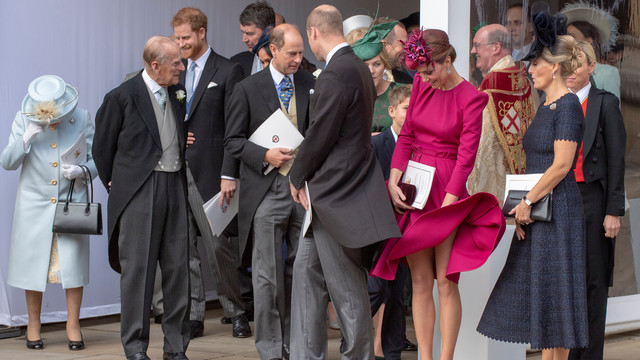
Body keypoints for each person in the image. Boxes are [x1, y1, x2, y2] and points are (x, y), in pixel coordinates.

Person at [371, 28, 504, 360]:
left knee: (445, 281)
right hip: (416, 185)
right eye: (420, 71)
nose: (425, 77)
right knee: (419, 280)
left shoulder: (471, 97)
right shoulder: (419, 84)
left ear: (447, 60)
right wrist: (394, 179)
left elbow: (466, 157)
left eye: (430, 70)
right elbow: (407, 136)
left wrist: (448, 205)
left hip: (448, 189)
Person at [288, 6, 401, 359]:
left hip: (338, 196)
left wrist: (296, 175)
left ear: (314, 33)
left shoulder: (338, 72)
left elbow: (321, 135)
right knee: (306, 279)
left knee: (348, 293)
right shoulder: (355, 68)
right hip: (333, 195)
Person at [477, 12, 589, 360]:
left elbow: (561, 166)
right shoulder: (545, 106)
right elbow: (537, 166)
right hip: (541, 214)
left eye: (536, 62)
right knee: (546, 308)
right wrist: (526, 210)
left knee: (557, 310)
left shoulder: (568, 106)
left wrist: (527, 202)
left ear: (554, 67)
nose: (529, 69)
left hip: (560, 214)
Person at [93, 36, 190, 360]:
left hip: (174, 185)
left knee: (178, 269)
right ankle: (135, 348)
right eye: (175, 62)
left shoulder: (177, 93)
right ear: (155, 65)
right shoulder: (121, 97)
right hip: (139, 190)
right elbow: (102, 149)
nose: (182, 66)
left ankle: (176, 348)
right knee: (139, 273)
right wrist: (120, 185)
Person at [225, 23, 314, 360]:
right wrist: (264, 154)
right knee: (267, 276)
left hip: (304, 189)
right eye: (292, 53)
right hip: (266, 189)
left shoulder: (310, 83)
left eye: (301, 52)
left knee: (303, 271)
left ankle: (299, 344)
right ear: (273, 50)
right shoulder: (248, 88)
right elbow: (232, 140)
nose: (298, 59)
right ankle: (271, 349)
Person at [171, 7, 251, 339]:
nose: (180, 44)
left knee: (219, 245)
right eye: (176, 38)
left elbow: (236, 125)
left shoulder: (228, 69)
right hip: (178, 169)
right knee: (184, 245)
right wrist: (179, 132)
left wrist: (228, 172)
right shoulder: (174, 70)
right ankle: (193, 316)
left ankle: (236, 311)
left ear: (202, 32)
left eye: (185, 37)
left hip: (214, 171)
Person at [1, 75, 95, 351]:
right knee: (33, 266)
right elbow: (7, 161)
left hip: (70, 201)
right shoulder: (23, 119)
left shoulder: (82, 117)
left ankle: (73, 324)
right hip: (34, 205)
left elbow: (94, 159)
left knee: (73, 266)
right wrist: (27, 135)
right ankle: (33, 324)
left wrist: (83, 171)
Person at [566, 41, 626, 360]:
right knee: (568, 283)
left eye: (578, 63)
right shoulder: (556, 103)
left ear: (592, 67)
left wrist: (613, 211)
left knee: (593, 282)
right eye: (567, 63)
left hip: (593, 199)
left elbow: (617, 160)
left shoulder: (606, 103)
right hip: (562, 200)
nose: (571, 70)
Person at [468, 24, 536, 204]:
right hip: (522, 179)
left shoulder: (493, 83)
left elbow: (482, 142)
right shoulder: (523, 79)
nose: (473, 50)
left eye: (477, 45)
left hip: (495, 188)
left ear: (496, 47)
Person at [368, 84, 413, 360]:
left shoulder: (421, 145)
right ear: (392, 111)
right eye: (408, 109)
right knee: (376, 289)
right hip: (380, 228)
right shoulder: (375, 144)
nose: (412, 114)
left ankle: (392, 350)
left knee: (398, 292)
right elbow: (368, 185)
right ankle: (355, 336)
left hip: (408, 230)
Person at [562, 2, 621, 100]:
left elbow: (613, 111)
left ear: (588, 41)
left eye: (572, 36)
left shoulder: (608, 73)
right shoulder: (560, 69)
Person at [352, 21, 398, 133]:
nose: (371, 71)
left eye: (377, 64)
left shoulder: (401, 92)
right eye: (365, 65)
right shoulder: (351, 97)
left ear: (385, 64)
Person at [231, 1, 276, 78]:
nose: (244, 40)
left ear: (268, 31)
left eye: (250, 34)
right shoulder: (236, 62)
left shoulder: (291, 61)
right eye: (243, 32)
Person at [375, 18, 412, 84]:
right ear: (384, 45)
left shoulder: (406, 81)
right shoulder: (361, 79)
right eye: (403, 44)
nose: (407, 50)